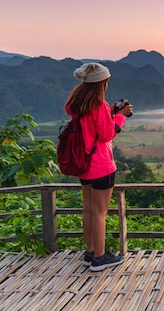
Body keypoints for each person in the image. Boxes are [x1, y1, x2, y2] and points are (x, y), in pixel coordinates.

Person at [64, 62, 133, 271]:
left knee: (88, 209)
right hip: (101, 165)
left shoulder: (78, 104)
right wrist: (121, 116)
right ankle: (100, 259)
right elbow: (106, 134)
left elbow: (93, 125)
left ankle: (91, 252)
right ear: (102, 82)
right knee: (100, 213)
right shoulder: (99, 105)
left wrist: (110, 111)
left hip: (84, 164)